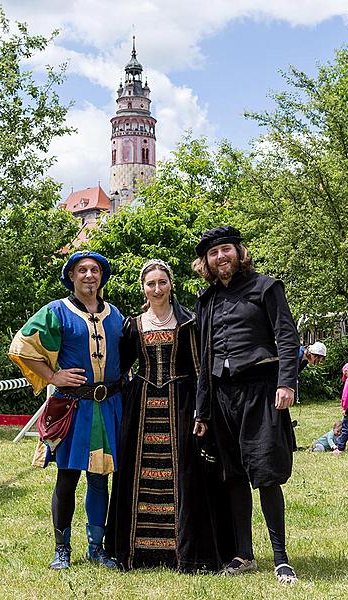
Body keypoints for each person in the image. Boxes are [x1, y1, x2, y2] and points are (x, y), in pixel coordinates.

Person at [192, 225, 300, 585]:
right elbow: (204, 358)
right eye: (213, 253)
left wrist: (286, 382)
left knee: (266, 473)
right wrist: (202, 410)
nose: (221, 257)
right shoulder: (205, 301)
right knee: (233, 476)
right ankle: (244, 555)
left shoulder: (266, 287)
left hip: (261, 389)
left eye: (226, 250)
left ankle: (281, 559)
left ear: (238, 252)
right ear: (205, 262)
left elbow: (286, 336)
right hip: (222, 396)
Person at [105, 259, 225, 572]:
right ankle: (136, 552)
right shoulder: (133, 324)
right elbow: (119, 369)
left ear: (170, 284)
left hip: (180, 405)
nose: (157, 289)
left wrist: (204, 410)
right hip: (141, 407)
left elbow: (200, 371)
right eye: (150, 284)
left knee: (184, 473)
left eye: (162, 282)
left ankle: (184, 553)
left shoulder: (188, 322)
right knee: (136, 474)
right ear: (143, 288)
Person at [9, 251, 124, 570]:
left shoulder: (116, 315)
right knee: (67, 477)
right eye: (82, 270)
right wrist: (52, 375)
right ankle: (62, 549)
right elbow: (22, 347)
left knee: (101, 479)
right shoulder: (56, 311)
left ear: (102, 276)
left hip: (108, 406)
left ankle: (96, 547)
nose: (89, 275)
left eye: (95, 270)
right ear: (71, 277)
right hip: (73, 407)